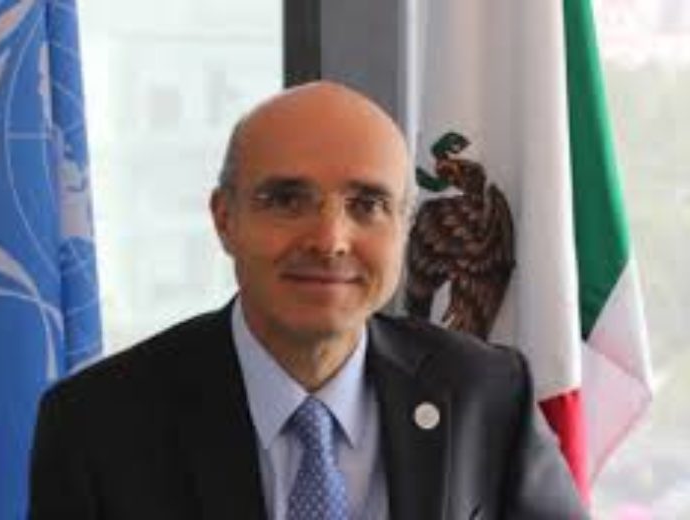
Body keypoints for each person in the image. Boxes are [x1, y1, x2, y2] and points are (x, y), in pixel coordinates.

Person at [29, 81, 588, 519]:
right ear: (225, 219)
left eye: (367, 204)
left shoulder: (486, 394)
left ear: (404, 225)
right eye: (287, 200)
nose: (329, 240)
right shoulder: (98, 424)